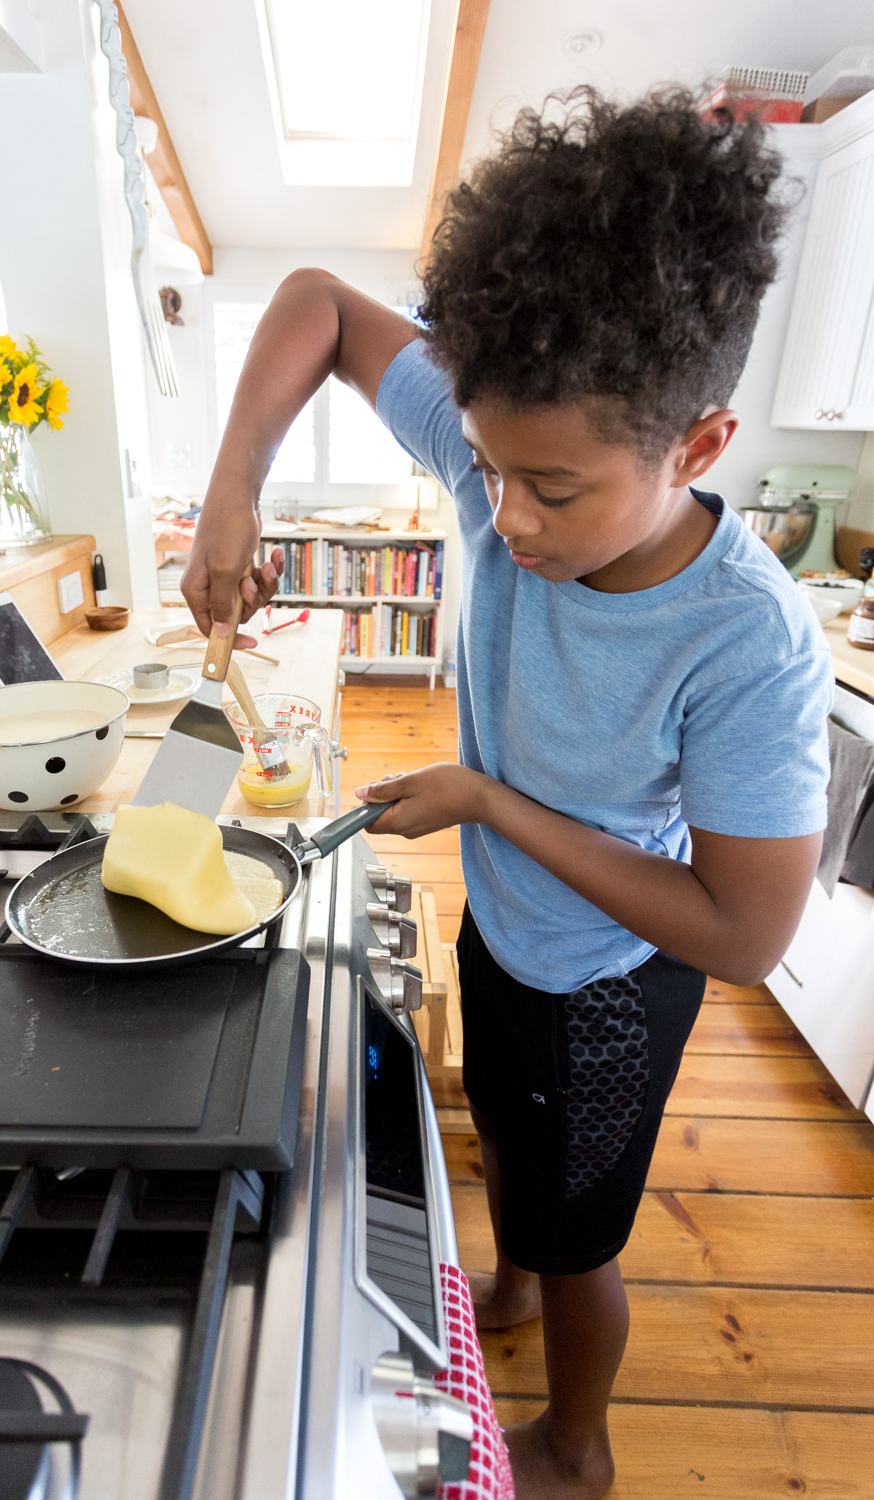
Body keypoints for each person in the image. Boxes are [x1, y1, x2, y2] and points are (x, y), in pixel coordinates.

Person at [181, 88, 832, 1500]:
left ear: (699, 448)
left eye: (555, 487)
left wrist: (490, 803)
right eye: (483, 466)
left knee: (582, 1228)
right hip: (509, 926)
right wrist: (233, 489)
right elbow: (315, 303)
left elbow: (738, 932)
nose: (507, 519)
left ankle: (574, 1445)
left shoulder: (748, 638)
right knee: (523, 1169)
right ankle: (513, 1283)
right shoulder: (517, 452)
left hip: (606, 980)